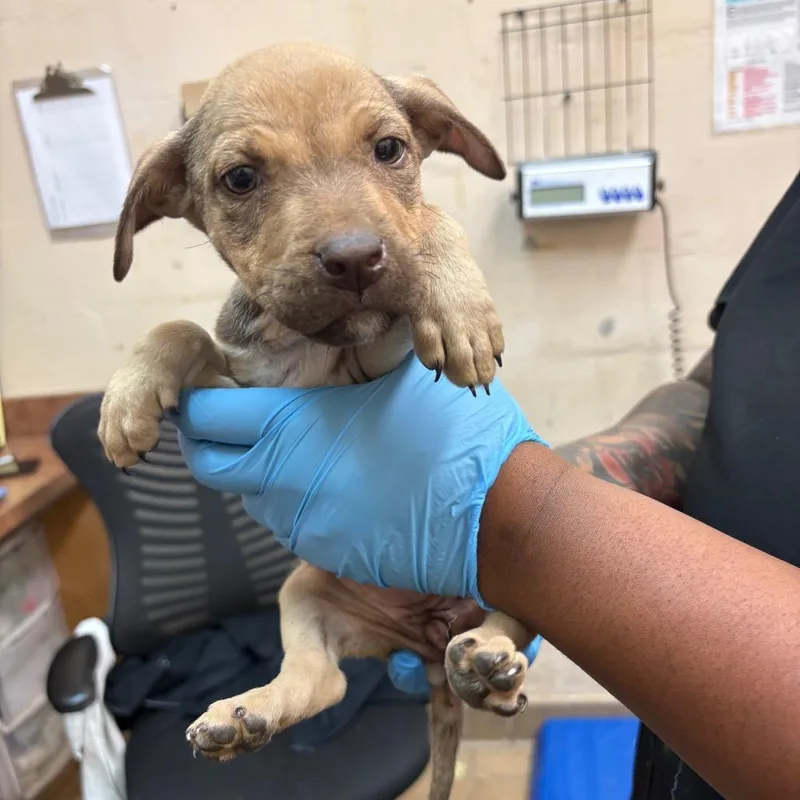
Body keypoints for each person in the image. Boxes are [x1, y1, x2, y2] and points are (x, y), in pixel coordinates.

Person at [173, 171, 800, 800]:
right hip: (679, 741)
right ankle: (309, 677)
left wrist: (521, 521)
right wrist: (516, 481)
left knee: (504, 606)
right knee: (306, 589)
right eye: (244, 180)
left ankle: (494, 640)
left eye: (386, 150)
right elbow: (716, 393)